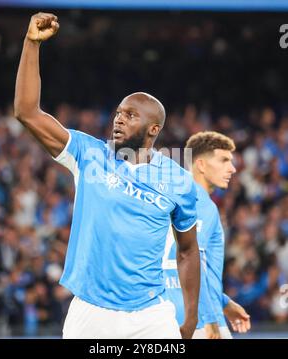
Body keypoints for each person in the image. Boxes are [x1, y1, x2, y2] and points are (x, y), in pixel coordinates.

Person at [14, 12, 200, 339]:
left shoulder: (178, 178)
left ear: (154, 129)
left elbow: (188, 251)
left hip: (151, 315)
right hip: (91, 313)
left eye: (130, 115)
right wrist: (31, 44)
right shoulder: (90, 155)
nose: (119, 119)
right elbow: (27, 112)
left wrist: (190, 318)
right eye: (118, 113)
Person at [163, 131, 251, 339]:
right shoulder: (198, 203)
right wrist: (210, 318)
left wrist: (224, 302)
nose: (232, 168)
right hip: (197, 319)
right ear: (201, 165)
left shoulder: (179, 197)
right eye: (224, 160)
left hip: (176, 312)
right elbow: (193, 263)